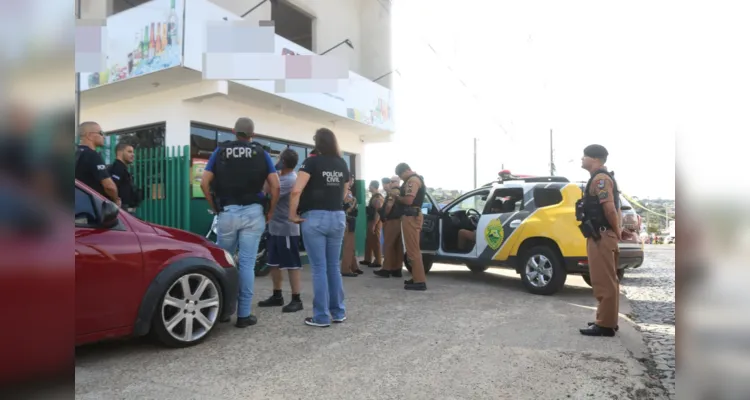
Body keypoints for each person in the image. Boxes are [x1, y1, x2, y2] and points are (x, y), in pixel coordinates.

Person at [200, 117, 280, 328]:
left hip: (227, 212)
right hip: (254, 213)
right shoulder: (261, 152)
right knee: (246, 264)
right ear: (253, 134)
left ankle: (221, 312)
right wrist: (270, 211)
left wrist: (216, 207)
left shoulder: (221, 151)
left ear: (234, 131)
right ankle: (244, 315)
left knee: (223, 262)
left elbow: (204, 182)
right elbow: (275, 186)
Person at [288, 128, 350, 328]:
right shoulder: (341, 163)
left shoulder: (311, 162)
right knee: (333, 267)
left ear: (317, 142)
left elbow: (296, 189)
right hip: (338, 216)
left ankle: (321, 317)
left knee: (319, 269)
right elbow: (345, 189)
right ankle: (338, 312)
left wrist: (292, 214)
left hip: (314, 217)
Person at [577, 144, 622, 337]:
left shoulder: (601, 179)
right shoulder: (602, 178)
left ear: (594, 159)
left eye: (584, 156)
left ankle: (605, 325)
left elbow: (610, 209)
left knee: (603, 282)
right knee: (607, 281)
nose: (581, 159)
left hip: (601, 236)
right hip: (601, 234)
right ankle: (607, 320)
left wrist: (617, 231)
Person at [257, 149, 304, 313]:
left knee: (292, 265)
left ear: (283, 162)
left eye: (278, 158)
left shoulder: (289, 180)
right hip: (275, 227)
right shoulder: (280, 177)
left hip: (287, 229)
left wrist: (268, 172)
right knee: (273, 263)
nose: (276, 160)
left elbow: (266, 191)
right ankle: (277, 295)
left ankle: (296, 298)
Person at [393, 163, 427, 290]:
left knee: (413, 249)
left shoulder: (412, 180)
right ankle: (417, 277)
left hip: (411, 216)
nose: (402, 178)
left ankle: (419, 281)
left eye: (401, 175)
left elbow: (408, 200)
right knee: (412, 248)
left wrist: (397, 197)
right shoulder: (415, 179)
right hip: (412, 215)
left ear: (406, 170)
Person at [75, 121, 119, 205]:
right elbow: (109, 187)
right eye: (101, 133)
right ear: (89, 136)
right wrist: (115, 200)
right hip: (94, 207)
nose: (104, 137)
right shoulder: (92, 155)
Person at [373, 177, 405, 278]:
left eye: (392, 181)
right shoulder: (402, 191)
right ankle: (397, 269)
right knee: (398, 246)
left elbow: (388, 206)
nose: (390, 183)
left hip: (392, 221)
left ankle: (386, 269)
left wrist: (384, 215)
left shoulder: (393, 192)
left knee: (388, 245)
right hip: (401, 221)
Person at [108, 142, 142, 214]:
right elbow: (112, 186)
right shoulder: (118, 168)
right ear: (119, 152)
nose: (133, 154)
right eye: (129, 152)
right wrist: (116, 201)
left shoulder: (122, 168)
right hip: (120, 210)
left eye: (133, 152)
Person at [340, 182, 362, 277]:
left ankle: (354, 266)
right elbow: (347, 209)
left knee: (351, 246)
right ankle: (346, 269)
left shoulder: (347, 194)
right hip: (347, 220)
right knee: (348, 246)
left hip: (350, 220)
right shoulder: (344, 194)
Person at [362, 180, 384, 268]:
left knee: (375, 241)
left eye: (370, 185)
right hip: (371, 220)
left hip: (375, 221)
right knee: (369, 240)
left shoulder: (377, 197)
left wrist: (374, 224)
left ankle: (378, 261)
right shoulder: (374, 197)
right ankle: (367, 259)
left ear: (373, 186)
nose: (368, 187)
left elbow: (378, 212)